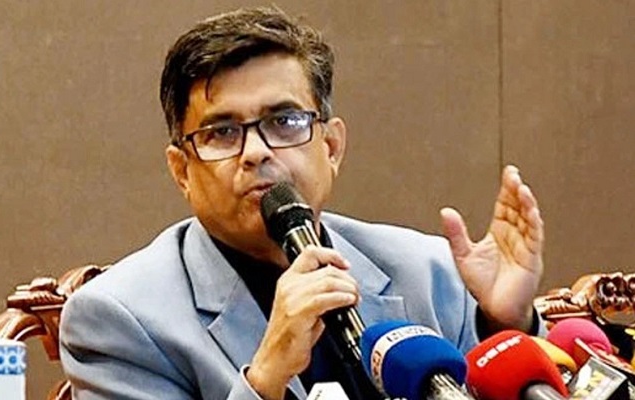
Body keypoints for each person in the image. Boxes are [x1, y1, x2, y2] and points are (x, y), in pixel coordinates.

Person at [59, 6, 546, 400]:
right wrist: (265, 378)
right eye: (222, 132)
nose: (256, 152)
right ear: (182, 171)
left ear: (331, 147)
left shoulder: (432, 275)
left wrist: (505, 325)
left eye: (284, 121)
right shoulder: (120, 318)